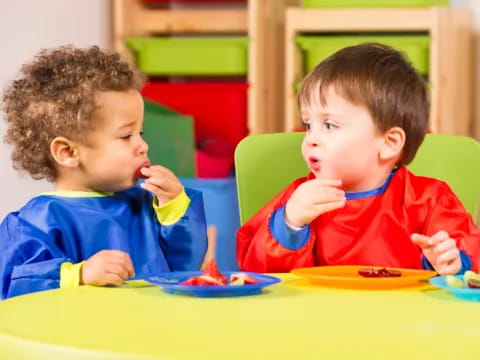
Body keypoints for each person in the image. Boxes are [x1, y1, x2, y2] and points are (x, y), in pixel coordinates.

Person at [237, 43, 480, 274]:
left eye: (329, 125)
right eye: (309, 125)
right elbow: (255, 268)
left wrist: (453, 262)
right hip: (319, 316)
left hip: (405, 317)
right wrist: (290, 225)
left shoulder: (429, 201)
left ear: (389, 143)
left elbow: (470, 254)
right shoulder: (299, 198)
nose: (310, 138)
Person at [0, 45, 207, 299]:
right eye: (125, 136)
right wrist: (80, 274)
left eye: (140, 133)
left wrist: (174, 207)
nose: (143, 146)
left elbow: (184, 266)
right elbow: (17, 286)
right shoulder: (36, 222)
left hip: (152, 328)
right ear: (67, 152)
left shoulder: (145, 204)